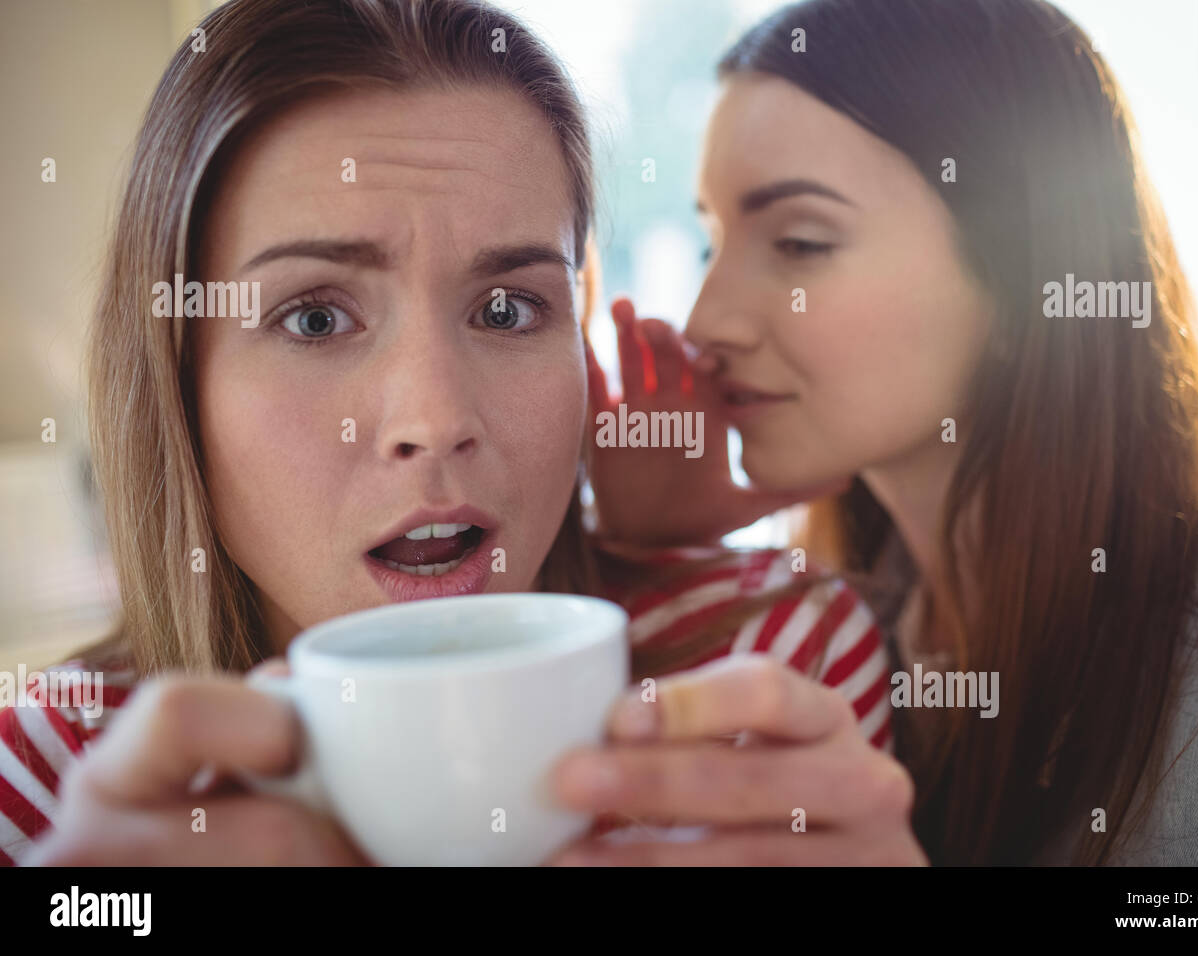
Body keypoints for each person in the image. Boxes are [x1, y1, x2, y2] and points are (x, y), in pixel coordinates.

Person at [0, 0, 913, 867]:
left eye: (509, 309)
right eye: (315, 319)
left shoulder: (774, 673)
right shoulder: (49, 775)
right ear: (174, 379)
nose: (436, 422)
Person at [587, 0, 1198, 865]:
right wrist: (655, 549)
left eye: (801, 243)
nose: (706, 321)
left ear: (1025, 280)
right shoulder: (824, 625)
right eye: (713, 245)